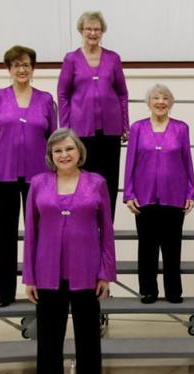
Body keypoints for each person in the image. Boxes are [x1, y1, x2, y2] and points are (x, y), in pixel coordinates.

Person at [23, 129, 116, 374]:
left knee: (88, 336)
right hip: (47, 271)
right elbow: (31, 233)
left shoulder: (96, 183)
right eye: (57, 151)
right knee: (49, 339)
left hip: (87, 272)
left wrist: (105, 272)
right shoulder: (38, 184)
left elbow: (107, 233)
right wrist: (29, 277)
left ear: (79, 152)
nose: (64, 155)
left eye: (68, 149)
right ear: (51, 156)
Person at [0, 45, 57, 308]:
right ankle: (4, 292)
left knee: (42, 235)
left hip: (39, 178)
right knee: (3, 235)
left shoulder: (46, 100)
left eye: (26, 65)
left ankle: (41, 286)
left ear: (33, 69)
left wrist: (57, 175)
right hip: (3, 176)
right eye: (16, 65)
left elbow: (54, 140)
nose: (22, 70)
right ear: (9, 70)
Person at [123, 83, 194, 304]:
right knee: (147, 247)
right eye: (156, 98)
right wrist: (128, 193)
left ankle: (174, 291)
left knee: (173, 247)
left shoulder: (181, 129)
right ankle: (148, 290)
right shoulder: (137, 128)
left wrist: (191, 192)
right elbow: (130, 163)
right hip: (144, 197)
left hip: (174, 196)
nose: (161, 102)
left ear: (170, 103)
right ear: (149, 103)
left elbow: (187, 162)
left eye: (165, 98)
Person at [58, 10, 129, 220]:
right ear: (81, 30)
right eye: (88, 28)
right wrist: (65, 129)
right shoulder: (71, 59)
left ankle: (107, 223)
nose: (92, 33)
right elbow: (63, 95)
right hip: (81, 132)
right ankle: (85, 223)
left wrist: (125, 123)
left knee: (109, 181)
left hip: (110, 131)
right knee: (85, 180)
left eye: (97, 29)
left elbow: (122, 93)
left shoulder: (113, 58)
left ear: (102, 32)